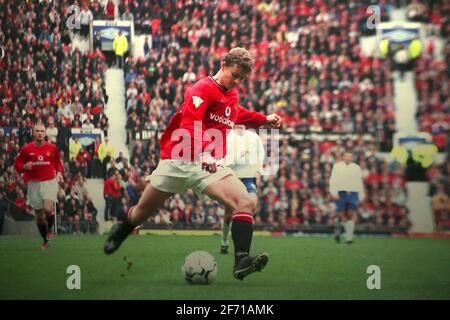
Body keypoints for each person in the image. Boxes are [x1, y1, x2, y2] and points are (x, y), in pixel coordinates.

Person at [103, 48, 281, 281]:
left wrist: (263, 120)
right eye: (235, 75)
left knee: (245, 201)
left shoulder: (232, 94)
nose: (237, 81)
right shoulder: (201, 88)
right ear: (224, 63)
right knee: (141, 213)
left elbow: (235, 114)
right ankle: (123, 229)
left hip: (208, 165)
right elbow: (190, 123)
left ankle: (241, 262)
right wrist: (206, 151)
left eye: (242, 79)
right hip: (179, 159)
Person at [14, 124, 63, 250]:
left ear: (45, 133)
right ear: (33, 133)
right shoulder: (27, 149)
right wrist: (24, 167)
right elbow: (17, 163)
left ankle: (50, 229)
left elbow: (58, 163)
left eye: (42, 131)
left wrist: (58, 173)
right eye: (37, 131)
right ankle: (45, 239)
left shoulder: (52, 148)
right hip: (33, 183)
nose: (40, 133)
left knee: (47, 208)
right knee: (40, 216)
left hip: (49, 181)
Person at [219, 124, 265, 254]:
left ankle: (242, 246)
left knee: (250, 205)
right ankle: (224, 241)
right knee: (229, 213)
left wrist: (258, 172)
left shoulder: (253, 138)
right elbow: (225, 162)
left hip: (248, 178)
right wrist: (239, 155)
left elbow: (259, 156)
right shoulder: (227, 137)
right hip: (233, 176)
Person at [329, 150, 365, 244]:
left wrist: (361, 195)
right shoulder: (337, 167)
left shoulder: (356, 167)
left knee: (351, 215)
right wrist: (334, 193)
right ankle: (337, 232)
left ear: (352, 158)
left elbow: (359, 181)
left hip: (353, 192)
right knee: (340, 216)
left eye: (350, 156)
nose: (348, 158)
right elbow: (333, 180)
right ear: (343, 157)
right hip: (341, 192)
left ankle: (349, 239)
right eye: (346, 156)